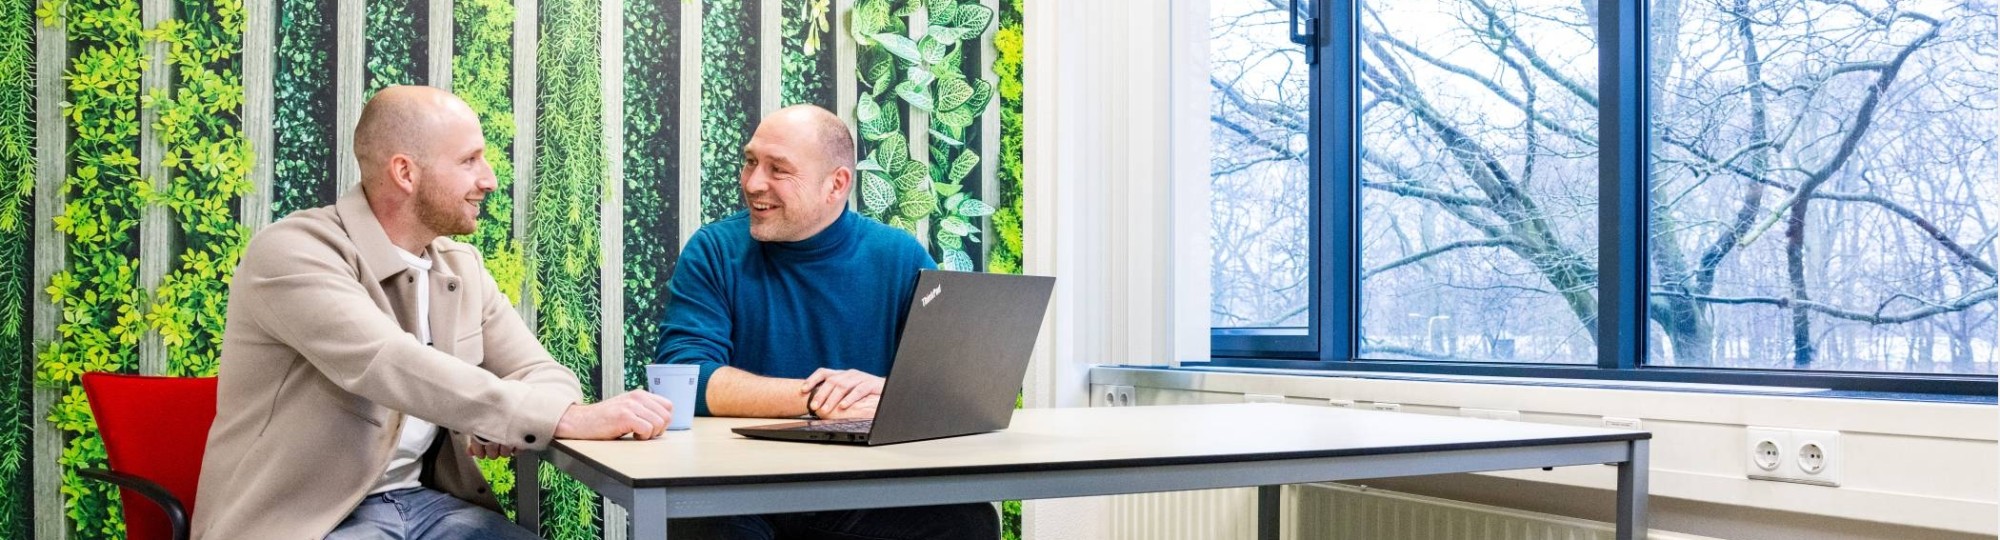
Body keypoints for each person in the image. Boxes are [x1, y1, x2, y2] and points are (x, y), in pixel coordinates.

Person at [192, 85, 676, 540]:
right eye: (469, 161)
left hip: (426, 506)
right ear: (406, 173)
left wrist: (525, 414)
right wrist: (556, 419)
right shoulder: (293, 253)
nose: (489, 180)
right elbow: (389, 363)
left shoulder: (459, 266)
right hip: (307, 520)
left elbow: (541, 371)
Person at [654, 104, 999, 539]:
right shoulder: (714, 251)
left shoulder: (898, 256)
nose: (753, 183)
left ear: (836, 184)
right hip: (739, 489)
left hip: (863, 491)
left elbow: (958, 385)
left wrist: (891, 395)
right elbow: (686, 378)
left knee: (965, 520)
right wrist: (820, 399)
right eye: (750, 162)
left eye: (778, 169)